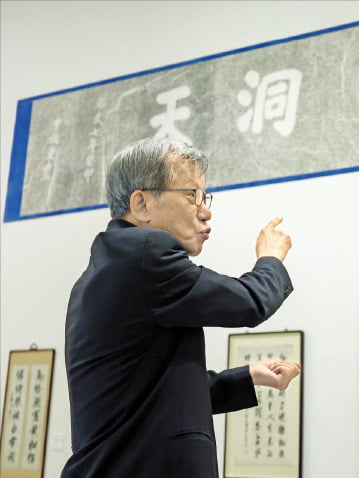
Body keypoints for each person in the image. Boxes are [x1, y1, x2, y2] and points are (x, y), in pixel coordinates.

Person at [62, 138, 299, 477]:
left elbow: (153, 395)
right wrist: (270, 258)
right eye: (192, 195)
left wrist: (246, 377)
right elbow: (250, 302)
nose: (205, 210)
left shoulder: (107, 270)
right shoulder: (143, 255)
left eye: (205, 197)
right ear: (141, 203)